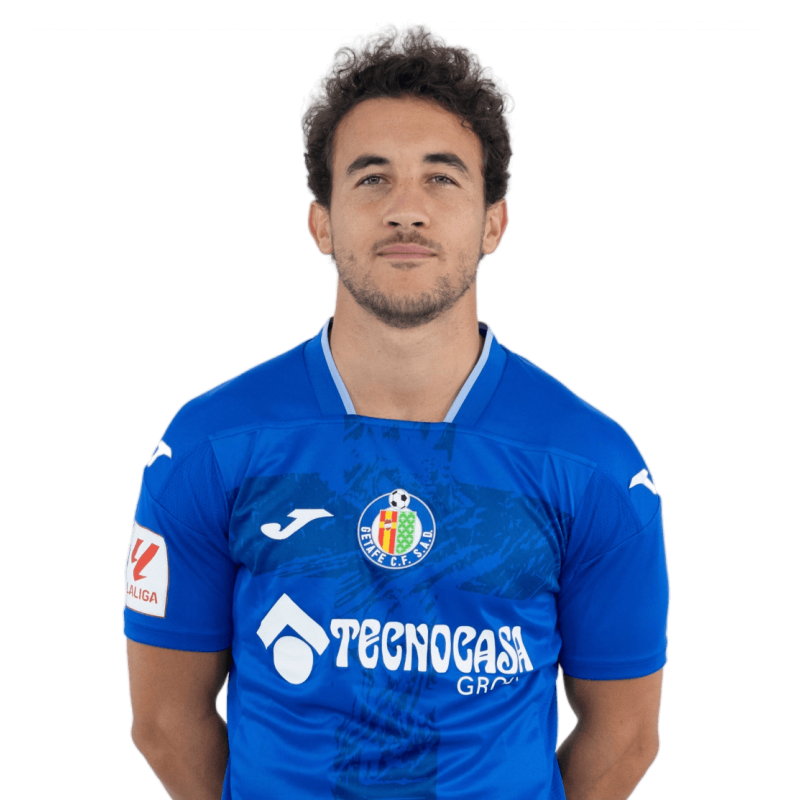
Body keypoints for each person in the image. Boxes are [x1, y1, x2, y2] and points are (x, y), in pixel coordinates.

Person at [123, 23, 668, 800]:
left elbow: (626, 735)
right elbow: (165, 722)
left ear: (494, 222)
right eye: (372, 178)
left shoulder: (594, 463)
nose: (406, 211)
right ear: (321, 221)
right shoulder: (210, 445)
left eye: (441, 178)